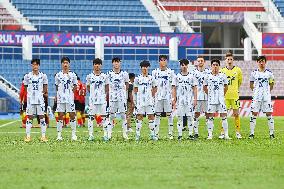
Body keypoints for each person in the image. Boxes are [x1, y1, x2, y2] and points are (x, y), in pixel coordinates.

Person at [249, 55, 275, 139]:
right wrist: (256, 91)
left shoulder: (269, 73)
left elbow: (272, 84)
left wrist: (267, 92)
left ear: (265, 62)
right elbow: (251, 84)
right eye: (259, 61)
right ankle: (252, 133)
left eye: (262, 61)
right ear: (257, 62)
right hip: (256, 96)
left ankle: (271, 134)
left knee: (269, 114)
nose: (261, 63)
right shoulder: (254, 73)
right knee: (254, 114)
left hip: (266, 97)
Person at [203, 59, 230, 140]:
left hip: (221, 100)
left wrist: (222, 94)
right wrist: (210, 94)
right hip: (211, 100)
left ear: (219, 66)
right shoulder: (207, 76)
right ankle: (210, 135)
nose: (215, 66)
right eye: (213, 65)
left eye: (216, 65)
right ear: (211, 66)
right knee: (210, 116)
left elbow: (226, 87)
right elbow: (204, 87)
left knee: (224, 116)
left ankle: (226, 135)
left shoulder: (223, 76)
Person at [23, 58, 48, 142]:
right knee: (29, 117)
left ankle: (43, 136)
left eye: (36, 64)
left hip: (40, 100)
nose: (35, 66)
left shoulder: (43, 76)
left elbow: (45, 87)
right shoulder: (27, 76)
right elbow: (26, 87)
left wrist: (41, 94)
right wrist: (30, 94)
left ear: (39, 65)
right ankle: (28, 136)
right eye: (33, 64)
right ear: (31, 65)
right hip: (30, 100)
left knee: (42, 117)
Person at [152, 55, 176, 140]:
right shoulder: (154, 72)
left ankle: (170, 134)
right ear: (159, 62)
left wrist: (173, 98)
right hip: (158, 97)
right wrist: (153, 97)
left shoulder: (171, 72)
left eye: (164, 60)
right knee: (157, 115)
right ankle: (156, 134)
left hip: (167, 96)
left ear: (167, 61)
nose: (163, 62)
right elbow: (153, 86)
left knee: (169, 115)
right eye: (161, 60)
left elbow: (173, 87)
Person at [173, 59, 197, 140]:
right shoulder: (176, 77)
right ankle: (180, 135)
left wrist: (195, 99)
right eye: (182, 65)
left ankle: (190, 134)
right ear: (180, 66)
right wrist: (174, 98)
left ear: (187, 66)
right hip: (180, 101)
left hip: (189, 100)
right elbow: (174, 89)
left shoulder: (191, 77)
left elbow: (194, 88)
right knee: (180, 117)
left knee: (190, 117)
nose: (184, 66)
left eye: (185, 65)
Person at [86, 58, 109, 141]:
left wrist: (102, 95)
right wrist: (93, 94)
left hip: (102, 100)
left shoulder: (104, 76)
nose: (97, 66)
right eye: (95, 64)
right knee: (91, 117)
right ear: (93, 65)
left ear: (101, 65)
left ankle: (105, 135)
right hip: (92, 100)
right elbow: (88, 87)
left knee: (104, 117)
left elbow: (107, 87)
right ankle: (91, 135)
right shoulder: (89, 76)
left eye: (98, 64)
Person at [220, 52, 243, 139]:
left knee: (236, 114)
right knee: (223, 114)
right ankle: (222, 132)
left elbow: (239, 82)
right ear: (225, 60)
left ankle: (238, 132)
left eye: (231, 59)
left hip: (234, 96)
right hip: (225, 96)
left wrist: (235, 89)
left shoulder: (238, 70)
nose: (229, 61)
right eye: (228, 59)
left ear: (233, 60)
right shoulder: (222, 71)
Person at [55, 57, 78, 141]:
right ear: (61, 64)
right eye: (64, 63)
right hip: (61, 99)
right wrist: (58, 95)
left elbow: (75, 86)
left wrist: (70, 93)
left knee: (72, 115)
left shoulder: (73, 75)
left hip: (70, 99)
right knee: (60, 115)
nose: (65, 64)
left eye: (67, 63)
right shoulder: (58, 75)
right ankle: (59, 135)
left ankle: (73, 134)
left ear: (69, 64)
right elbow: (57, 86)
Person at [107, 57, 129, 140]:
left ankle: (124, 134)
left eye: (118, 62)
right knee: (111, 116)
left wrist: (123, 91)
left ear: (120, 63)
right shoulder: (109, 74)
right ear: (112, 63)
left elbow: (127, 83)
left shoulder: (124, 74)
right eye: (115, 62)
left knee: (123, 115)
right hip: (112, 98)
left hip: (121, 98)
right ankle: (109, 134)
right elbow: (107, 85)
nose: (116, 64)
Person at [133, 60, 156, 141]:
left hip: (149, 101)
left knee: (151, 116)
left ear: (148, 67)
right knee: (139, 116)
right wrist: (136, 100)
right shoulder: (137, 78)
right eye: (143, 67)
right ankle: (138, 135)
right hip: (140, 101)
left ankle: (152, 134)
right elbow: (135, 90)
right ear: (141, 68)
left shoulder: (151, 78)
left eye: (146, 67)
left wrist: (151, 96)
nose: (144, 68)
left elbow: (155, 88)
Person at [192, 56, 210, 138]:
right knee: (196, 114)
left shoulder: (208, 72)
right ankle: (196, 133)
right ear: (196, 62)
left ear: (204, 62)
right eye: (198, 61)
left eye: (201, 61)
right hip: (197, 96)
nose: (200, 62)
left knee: (208, 114)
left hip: (206, 96)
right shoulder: (193, 73)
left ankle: (209, 133)